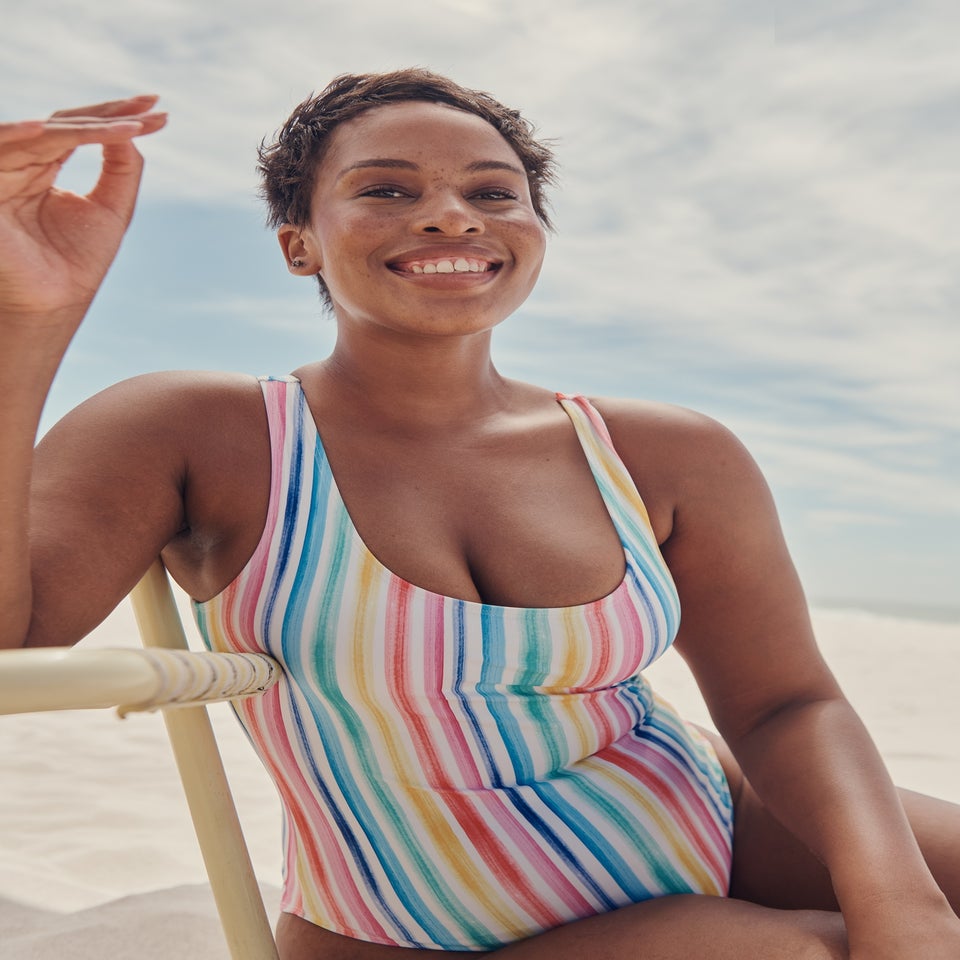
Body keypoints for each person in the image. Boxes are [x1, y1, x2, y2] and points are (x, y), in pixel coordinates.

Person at [1, 69, 959, 960]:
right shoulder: (202, 431)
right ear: (299, 244)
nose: (451, 215)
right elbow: (13, 639)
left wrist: (900, 902)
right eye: (386, 189)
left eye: (495, 193)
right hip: (419, 936)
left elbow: (785, 704)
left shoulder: (662, 452)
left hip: (715, 819)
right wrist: (26, 320)